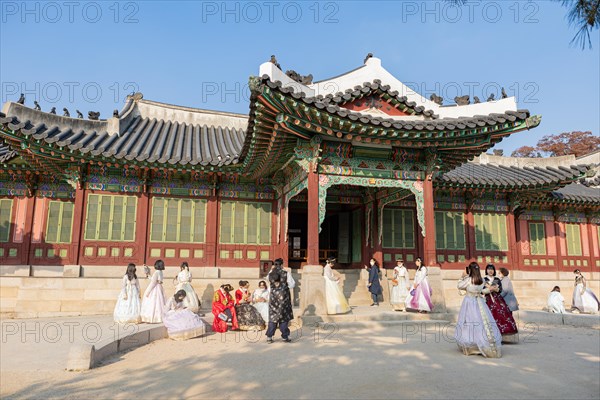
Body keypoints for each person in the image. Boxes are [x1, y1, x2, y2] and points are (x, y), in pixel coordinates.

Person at [455, 262, 502, 358]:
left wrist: (462, 277)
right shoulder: (481, 280)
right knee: (482, 323)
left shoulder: (468, 279)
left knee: (469, 322)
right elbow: (482, 291)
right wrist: (490, 289)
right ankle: (483, 342)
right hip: (480, 302)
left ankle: (471, 345)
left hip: (469, 302)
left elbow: (459, 286)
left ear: (470, 270)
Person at [483, 264, 518, 340]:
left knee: (501, 315)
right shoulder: (484, 279)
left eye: (492, 269)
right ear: (486, 270)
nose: (490, 271)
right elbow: (481, 290)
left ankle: (502, 335)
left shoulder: (497, 279)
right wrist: (489, 289)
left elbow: (501, 290)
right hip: (487, 299)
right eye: (489, 269)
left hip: (497, 299)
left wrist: (496, 289)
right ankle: (489, 336)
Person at [266, 270, 294, 343]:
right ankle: (285, 336)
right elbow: (292, 285)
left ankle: (269, 336)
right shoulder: (285, 286)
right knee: (283, 321)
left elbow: (268, 295)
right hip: (283, 306)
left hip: (273, 306)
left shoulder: (271, 287)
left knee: (272, 321)